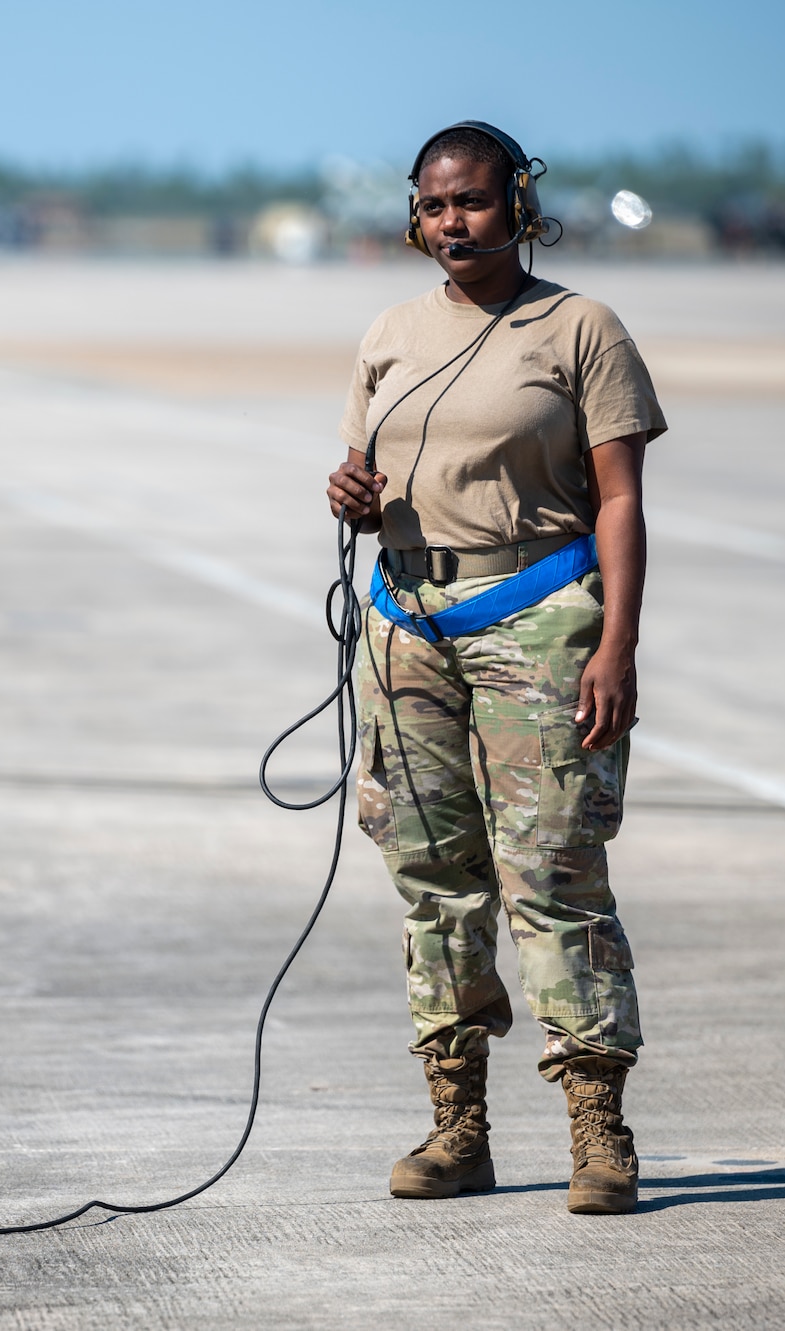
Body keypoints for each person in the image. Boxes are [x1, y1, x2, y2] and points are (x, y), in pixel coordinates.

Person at [324, 122, 666, 1215]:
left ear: (517, 202)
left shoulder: (578, 328)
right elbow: (364, 464)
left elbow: (619, 496)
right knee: (430, 876)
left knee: (554, 871)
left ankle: (596, 1131)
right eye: (432, 207)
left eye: (471, 201)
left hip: (536, 616)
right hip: (405, 620)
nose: (450, 223)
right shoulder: (388, 330)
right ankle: (455, 1123)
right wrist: (347, 495)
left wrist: (615, 640)